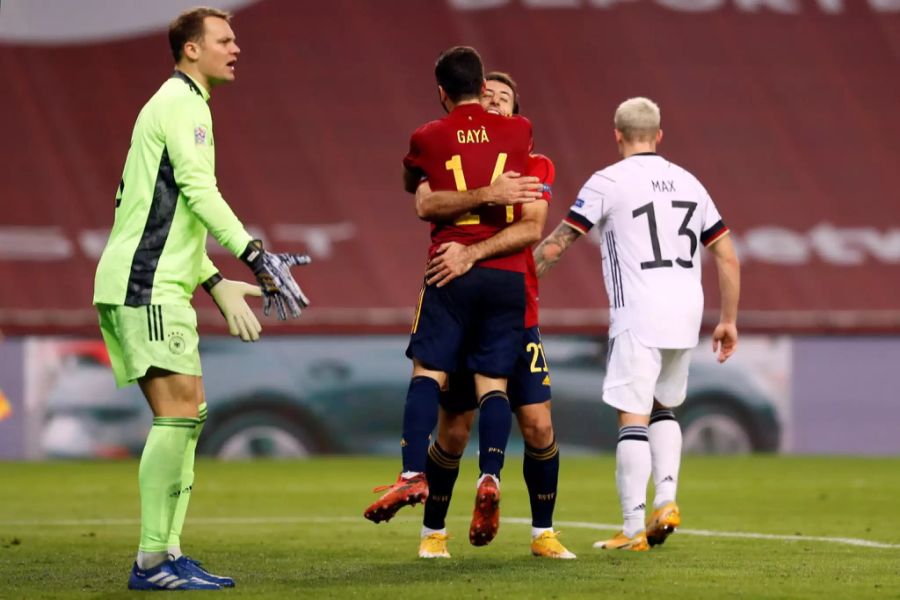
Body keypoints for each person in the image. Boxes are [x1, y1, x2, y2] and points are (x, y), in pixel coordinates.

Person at [92, 7, 310, 590]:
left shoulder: (182, 104)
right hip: (147, 284)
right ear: (192, 49)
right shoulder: (182, 104)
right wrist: (254, 253)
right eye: (224, 39)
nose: (235, 48)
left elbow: (172, 213)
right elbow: (198, 189)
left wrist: (213, 281)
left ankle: (166, 553)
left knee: (189, 415)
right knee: (178, 414)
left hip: (155, 278)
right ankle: (151, 561)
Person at [533, 97, 740, 551]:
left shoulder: (608, 181)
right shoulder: (690, 182)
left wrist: (515, 282)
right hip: (687, 311)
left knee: (633, 417)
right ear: (659, 135)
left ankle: (632, 530)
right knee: (665, 407)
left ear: (617, 134)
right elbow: (725, 253)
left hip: (639, 312)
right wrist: (727, 320)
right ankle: (666, 500)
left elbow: (555, 247)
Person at [364, 48, 539, 549]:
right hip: (506, 277)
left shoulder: (427, 136)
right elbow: (518, 193)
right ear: (484, 86)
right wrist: (491, 190)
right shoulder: (519, 130)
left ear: (441, 91)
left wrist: (455, 186)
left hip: (448, 268)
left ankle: (411, 472)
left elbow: (414, 189)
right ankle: (491, 477)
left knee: (429, 374)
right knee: (494, 385)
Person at [413, 72, 575, 560]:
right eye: (487, 97)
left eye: (504, 98)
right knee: (454, 431)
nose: (495, 104)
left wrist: (470, 253)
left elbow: (532, 229)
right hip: (459, 304)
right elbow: (423, 200)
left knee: (539, 425)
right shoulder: (446, 156)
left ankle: (542, 532)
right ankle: (433, 532)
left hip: (514, 309)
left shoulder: (535, 163)